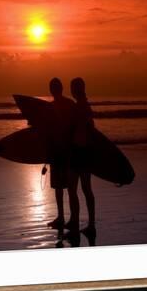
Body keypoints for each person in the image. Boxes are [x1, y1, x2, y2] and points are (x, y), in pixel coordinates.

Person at [46, 77, 78, 230]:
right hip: (66, 150)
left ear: (53, 90)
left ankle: (65, 218)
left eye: (54, 87)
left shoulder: (51, 107)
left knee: (62, 188)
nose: (54, 90)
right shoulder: (69, 104)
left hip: (62, 151)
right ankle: (67, 218)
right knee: (66, 188)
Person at [66, 77, 96, 234]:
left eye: (73, 87)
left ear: (76, 89)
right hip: (82, 151)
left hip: (81, 152)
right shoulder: (83, 106)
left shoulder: (82, 107)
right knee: (80, 189)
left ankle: (86, 224)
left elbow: (85, 130)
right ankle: (78, 221)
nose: (71, 91)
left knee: (79, 189)